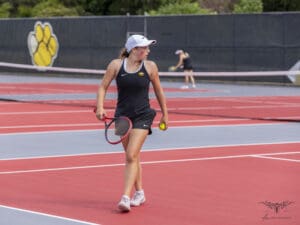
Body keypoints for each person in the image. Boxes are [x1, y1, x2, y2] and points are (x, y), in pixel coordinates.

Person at [95, 34, 168, 212]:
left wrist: (165, 114)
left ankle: (125, 197)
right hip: (122, 117)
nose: (148, 50)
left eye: (148, 47)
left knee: (131, 155)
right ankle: (140, 192)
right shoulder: (116, 65)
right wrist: (100, 107)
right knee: (132, 157)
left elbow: (159, 91)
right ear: (134, 50)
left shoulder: (150, 67)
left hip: (143, 115)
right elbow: (103, 86)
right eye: (144, 47)